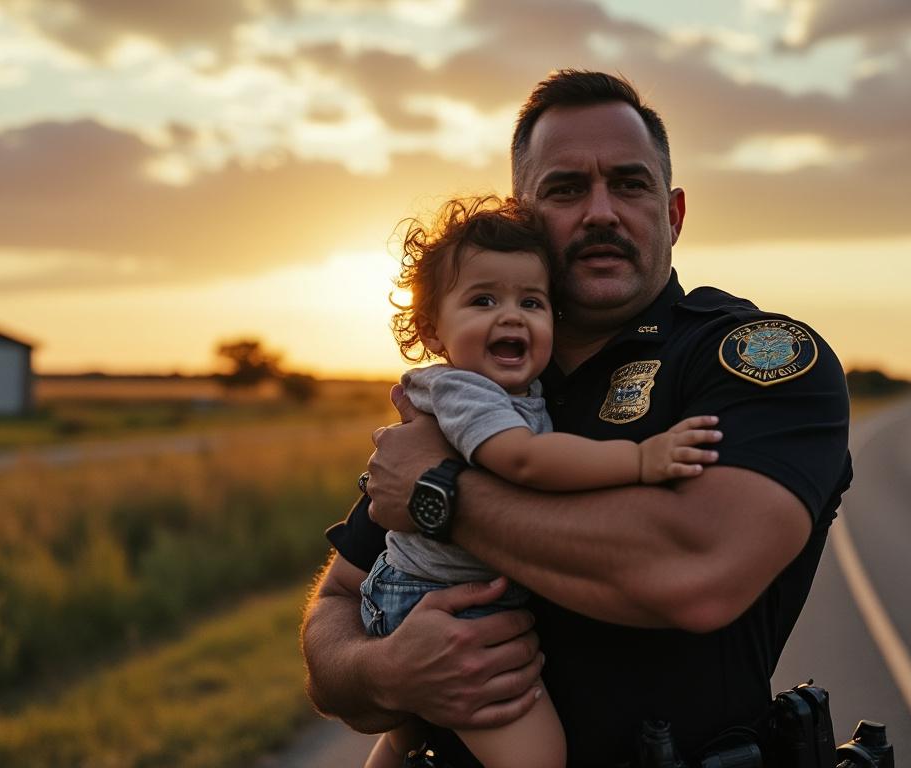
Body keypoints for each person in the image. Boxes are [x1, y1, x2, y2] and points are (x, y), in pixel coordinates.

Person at [301, 70, 852, 767]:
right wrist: (385, 672)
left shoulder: (748, 356)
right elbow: (342, 608)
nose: (600, 212)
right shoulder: (483, 379)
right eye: (565, 190)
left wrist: (442, 494)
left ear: (673, 213)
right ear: (524, 218)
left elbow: (697, 571)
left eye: (629, 183)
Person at [361, 195, 723, 768]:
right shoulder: (464, 391)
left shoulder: (516, 390)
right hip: (437, 600)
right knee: (537, 756)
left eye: (531, 301)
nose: (511, 316)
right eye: (483, 300)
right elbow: (524, 460)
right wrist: (641, 460)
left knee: (414, 732)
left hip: (440, 591)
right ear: (432, 331)